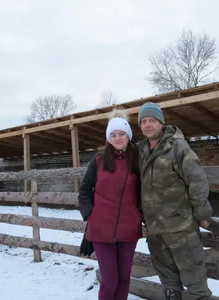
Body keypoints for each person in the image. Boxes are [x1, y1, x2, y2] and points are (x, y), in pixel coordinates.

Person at [137, 102, 214, 300]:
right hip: (155, 228)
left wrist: (202, 213)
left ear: (161, 123)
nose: (147, 125)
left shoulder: (178, 146)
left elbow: (196, 179)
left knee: (194, 277)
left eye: (152, 120)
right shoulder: (141, 150)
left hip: (180, 227)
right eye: (143, 121)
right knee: (168, 279)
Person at [78, 108, 143, 300]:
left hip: (129, 228)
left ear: (128, 135)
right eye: (113, 134)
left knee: (124, 279)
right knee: (110, 281)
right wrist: (91, 214)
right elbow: (84, 191)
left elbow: (144, 191)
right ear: (108, 137)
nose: (118, 138)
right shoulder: (99, 160)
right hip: (101, 229)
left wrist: (139, 214)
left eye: (121, 134)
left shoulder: (137, 160)